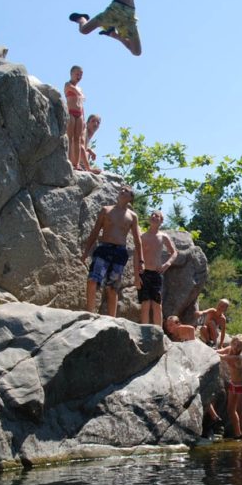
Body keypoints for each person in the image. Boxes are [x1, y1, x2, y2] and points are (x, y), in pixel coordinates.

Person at [81, 186, 143, 316]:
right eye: (121, 189)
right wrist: (86, 251)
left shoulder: (132, 216)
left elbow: (137, 240)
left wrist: (141, 261)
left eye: (126, 190)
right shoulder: (106, 210)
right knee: (92, 280)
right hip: (104, 248)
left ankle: (111, 319)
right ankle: (89, 313)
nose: (122, 191)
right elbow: (95, 231)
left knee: (112, 287)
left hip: (119, 252)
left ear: (131, 197)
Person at [138, 210, 178, 325]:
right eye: (152, 215)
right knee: (145, 304)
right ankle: (144, 331)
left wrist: (167, 264)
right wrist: (136, 275)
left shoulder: (163, 236)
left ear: (161, 221)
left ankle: (158, 333)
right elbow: (137, 255)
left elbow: (174, 252)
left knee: (157, 305)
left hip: (156, 274)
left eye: (157, 216)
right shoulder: (142, 236)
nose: (154, 217)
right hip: (144, 273)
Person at [217, 335, 242, 440]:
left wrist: (213, 352)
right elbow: (219, 351)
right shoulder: (230, 349)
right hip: (233, 384)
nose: (237, 347)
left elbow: (222, 357)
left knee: (241, 412)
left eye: (240, 346)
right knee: (230, 410)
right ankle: (237, 434)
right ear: (232, 343)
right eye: (235, 344)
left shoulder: (239, 357)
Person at [64, 66, 88, 169]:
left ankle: (76, 163)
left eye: (81, 74)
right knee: (70, 137)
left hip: (79, 113)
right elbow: (74, 91)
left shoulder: (80, 88)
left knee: (78, 139)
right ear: (72, 74)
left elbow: (82, 103)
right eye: (77, 74)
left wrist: (83, 117)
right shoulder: (68, 84)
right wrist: (80, 94)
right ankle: (68, 160)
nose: (79, 76)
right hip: (71, 112)